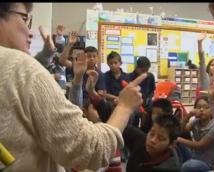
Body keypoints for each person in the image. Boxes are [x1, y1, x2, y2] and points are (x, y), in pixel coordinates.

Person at [0, 3, 147, 172]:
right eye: (25, 18)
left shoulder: (98, 73)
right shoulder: (23, 68)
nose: (30, 31)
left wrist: (80, 83)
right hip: (88, 120)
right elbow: (89, 150)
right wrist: (124, 106)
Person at [178, 97, 214, 172]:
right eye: (199, 107)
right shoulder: (196, 121)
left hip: (209, 164)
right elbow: (182, 129)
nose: (202, 110)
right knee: (177, 146)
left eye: (206, 107)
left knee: (187, 166)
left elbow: (200, 145)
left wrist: (179, 139)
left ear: (212, 110)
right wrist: (189, 115)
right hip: (194, 157)